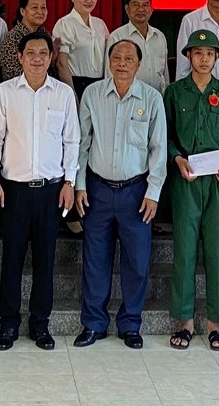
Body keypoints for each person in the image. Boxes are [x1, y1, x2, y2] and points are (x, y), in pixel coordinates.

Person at [0, 32, 78, 351]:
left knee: (45, 260)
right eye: (31, 53)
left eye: (43, 53)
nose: (37, 58)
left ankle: (41, 324)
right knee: (11, 258)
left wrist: (70, 182)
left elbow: (72, 140)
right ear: (20, 57)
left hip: (51, 191)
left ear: (51, 58)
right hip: (14, 190)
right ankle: (8, 324)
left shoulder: (63, 94)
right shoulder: (5, 92)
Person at [72, 39, 166, 349]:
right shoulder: (93, 94)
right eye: (116, 57)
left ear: (139, 64)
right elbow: (82, 143)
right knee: (95, 260)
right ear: (109, 61)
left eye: (129, 58)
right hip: (98, 189)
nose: (122, 63)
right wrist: (80, 184)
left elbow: (158, 149)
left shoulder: (151, 98)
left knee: (136, 261)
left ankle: (130, 324)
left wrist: (153, 192)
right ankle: (94, 324)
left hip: (136, 192)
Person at [164, 30, 219, 352]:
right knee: (184, 250)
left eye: (210, 53)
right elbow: (166, 136)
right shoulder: (174, 92)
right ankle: (184, 321)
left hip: (218, 183)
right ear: (188, 56)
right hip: (186, 180)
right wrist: (177, 158)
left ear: (217, 57)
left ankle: (215, 323)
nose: (204, 58)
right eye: (198, 53)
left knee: (217, 250)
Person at [54, 0, 110, 99]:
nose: (89, 0)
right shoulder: (65, 23)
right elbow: (61, 64)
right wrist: (72, 93)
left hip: (100, 84)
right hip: (77, 83)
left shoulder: (100, 24)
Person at [106, 0, 169, 95]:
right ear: (127, 9)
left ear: (151, 9)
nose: (141, 9)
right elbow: (109, 74)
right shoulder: (117, 37)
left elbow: (164, 74)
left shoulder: (159, 36)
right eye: (135, 5)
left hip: (157, 97)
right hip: (129, 98)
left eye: (145, 5)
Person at [0, 0, 52, 84]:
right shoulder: (13, 38)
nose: (40, 12)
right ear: (22, 11)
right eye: (34, 8)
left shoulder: (45, 34)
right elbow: (10, 74)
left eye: (43, 7)